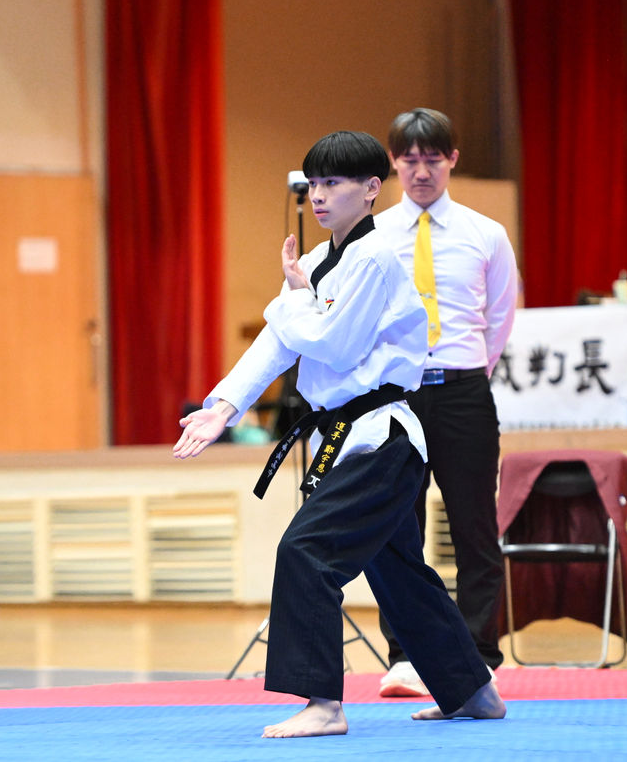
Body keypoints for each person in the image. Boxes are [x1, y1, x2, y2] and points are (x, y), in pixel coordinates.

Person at [173, 131, 504, 738]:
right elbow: (276, 344)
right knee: (398, 571)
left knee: (306, 552)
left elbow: (335, 343)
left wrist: (296, 301)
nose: (319, 196)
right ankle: (473, 691)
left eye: (333, 183)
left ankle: (323, 704)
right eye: (314, 184)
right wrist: (223, 407)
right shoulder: (317, 264)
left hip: (381, 439)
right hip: (350, 436)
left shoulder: (376, 258)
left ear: (372, 189)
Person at [374, 109, 518, 696]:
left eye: (432, 159)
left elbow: (500, 318)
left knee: (474, 527)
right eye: (409, 160)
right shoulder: (373, 236)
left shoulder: (487, 234)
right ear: (393, 163)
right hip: (396, 395)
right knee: (395, 528)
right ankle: (405, 656)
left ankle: (479, 653)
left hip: (462, 392)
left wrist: (466, 374)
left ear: (453, 160)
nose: (421, 171)